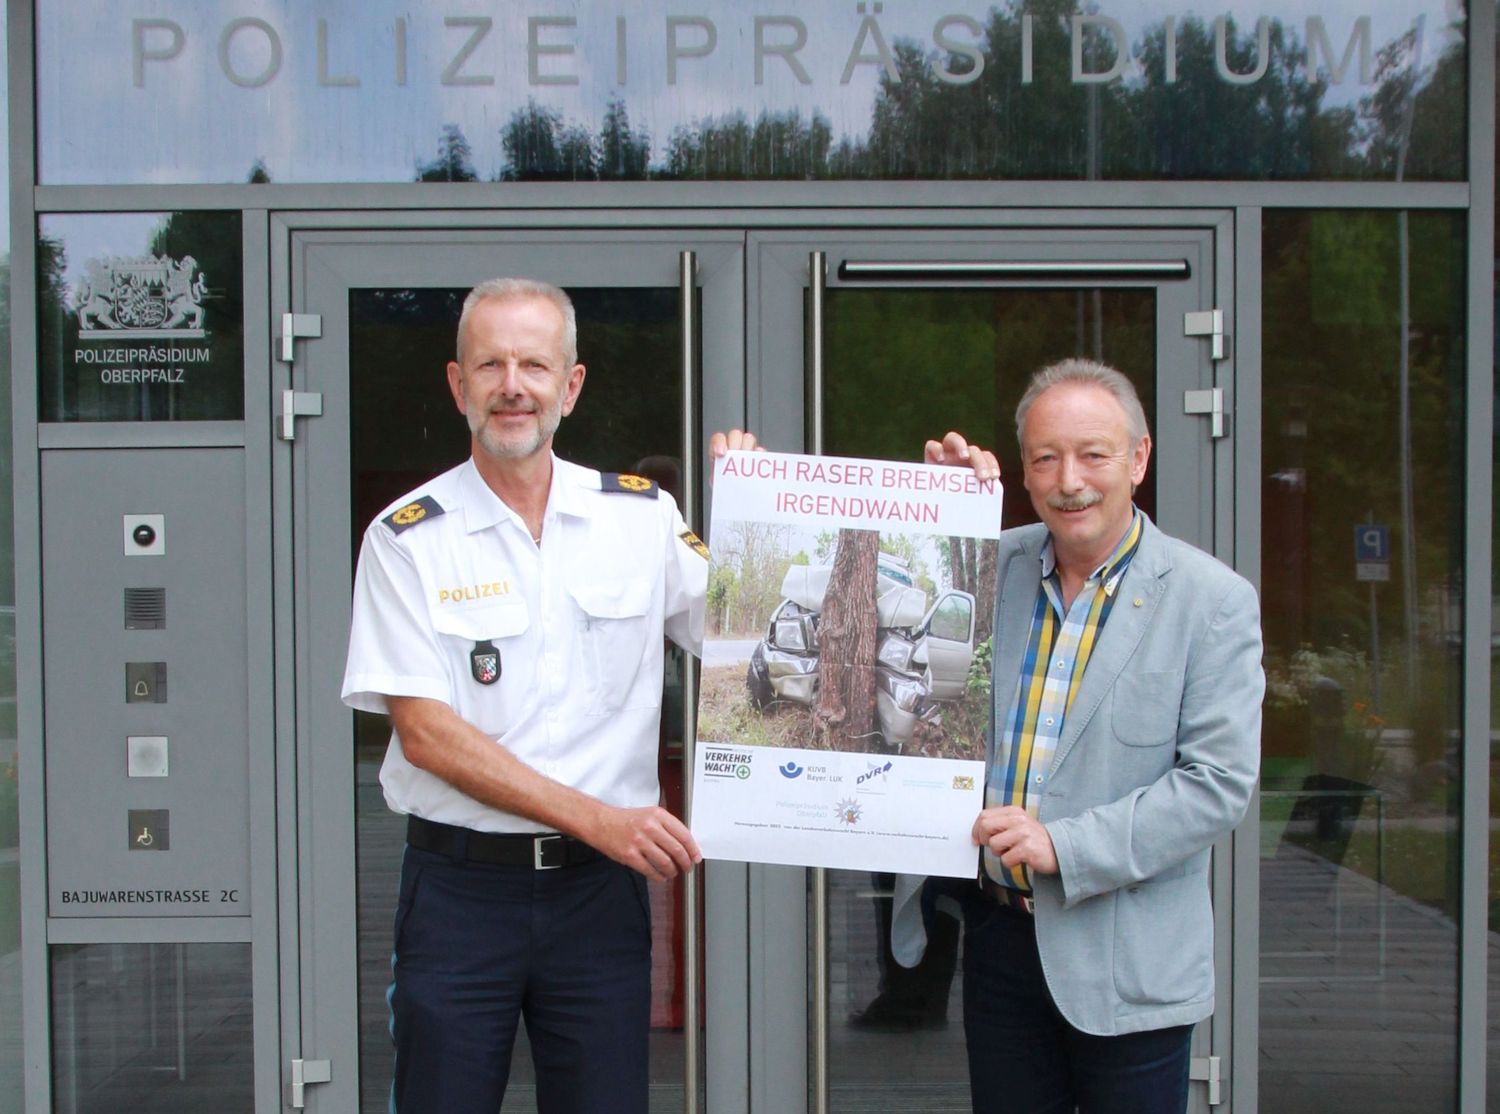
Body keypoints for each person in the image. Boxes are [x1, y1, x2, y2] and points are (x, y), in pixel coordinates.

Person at [340, 276, 758, 1114]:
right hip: (460, 895)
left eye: (535, 364)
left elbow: (749, 647)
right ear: (458, 386)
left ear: (569, 387)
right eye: (489, 364)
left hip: (596, 902)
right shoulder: (405, 539)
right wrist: (600, 819)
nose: (512, 385)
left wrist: (757, 516)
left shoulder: (642, 520)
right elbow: (425, 734)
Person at [912, 359, 1263, 1114]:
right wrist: (934, 511)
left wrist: (1063, 847)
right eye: (1045, 457)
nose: (1069, 479)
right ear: (1025, 472)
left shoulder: (1212, 602)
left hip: (1128, 953)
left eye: (1093, 454)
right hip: (1002, 945)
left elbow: (1217, 785)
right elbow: (892, 625)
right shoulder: (987, 566)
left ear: (1138, 459)